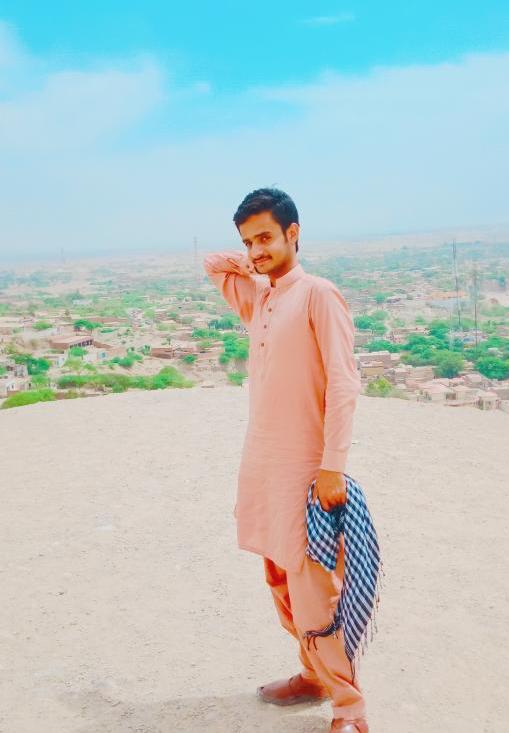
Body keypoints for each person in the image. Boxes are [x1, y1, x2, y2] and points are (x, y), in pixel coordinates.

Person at [203, 188, 368, 733]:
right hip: (263, 468)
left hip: (306, 470)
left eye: (266, 237)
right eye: (248, 241)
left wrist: (332, 465)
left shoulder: (318, 294)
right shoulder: (261, 299)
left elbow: (344, 384)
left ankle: (350, 709)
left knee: (313, 592)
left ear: (294, 232)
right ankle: (313, 676)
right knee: (279, 581)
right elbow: (214, 264)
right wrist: (256, 264)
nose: (255, 251)